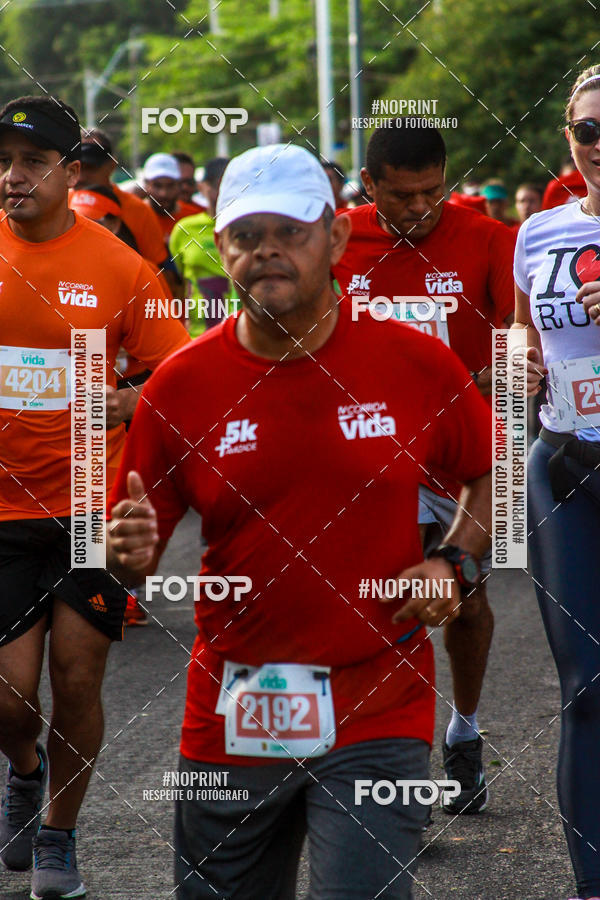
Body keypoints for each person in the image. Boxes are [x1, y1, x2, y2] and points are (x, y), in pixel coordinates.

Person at [107, 142, 493, 900]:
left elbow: (490, 473)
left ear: (337, 238)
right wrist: (125, 554)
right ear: (220, 248)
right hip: (234, 707)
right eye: (247, 237)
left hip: (379, 700)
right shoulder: (179, 387)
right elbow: (129, 556)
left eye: (290, 232)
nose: (268, 253)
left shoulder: (415, 364)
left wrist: (454, 561)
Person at [0, 94, 189, 899]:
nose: (13, 177)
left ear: (69, 172)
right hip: (2, 513)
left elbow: (178, 381)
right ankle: (25, 767)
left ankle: (59, 837)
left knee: (78, 680)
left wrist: (134, 400)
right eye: (3, 161)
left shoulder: (118, 267)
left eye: (32, 162)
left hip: (89, 507)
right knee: (10, 696)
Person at [333, 120, 515, 816]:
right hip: (368, 459)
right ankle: (393, 768)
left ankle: (463, 731)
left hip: (461, 463)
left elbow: (517, 342)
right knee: (392, 605)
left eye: (432, 193)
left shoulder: (487, 239)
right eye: (402, 196)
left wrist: (498, 373)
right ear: (369, 185)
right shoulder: (337, 238)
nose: (418, 209)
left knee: (465, 606)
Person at [515, 64, 600, 900]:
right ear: (569, 139)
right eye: (588, 131)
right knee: (587, 688)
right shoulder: (539, 231)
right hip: (566, 465)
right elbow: (521, 342)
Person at [74, 128, 168, 269]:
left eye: (90, 168)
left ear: (111, 166)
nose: (81, 177)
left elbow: (158, 271)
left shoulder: (139, 211)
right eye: (76, 167)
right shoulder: (59, 204)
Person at [169, 157, 231, 336]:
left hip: (243, 335)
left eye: (230, 186)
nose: (223, 193)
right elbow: (178, 284)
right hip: (198, 335)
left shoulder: (250, 228)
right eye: (217, 185)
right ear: (203, 186)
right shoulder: (185, 229)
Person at [141, 152, 199, 246]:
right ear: (146, 185)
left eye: (170, 186)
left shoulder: (194, 217)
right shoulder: (133, 216)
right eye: (157, 185)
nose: (163, 193)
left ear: (179, 185)